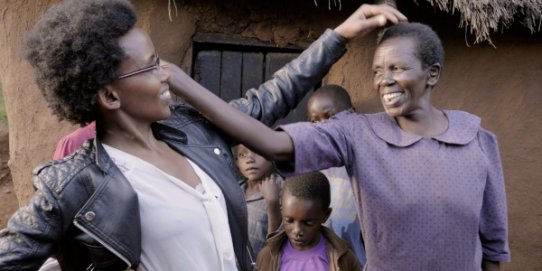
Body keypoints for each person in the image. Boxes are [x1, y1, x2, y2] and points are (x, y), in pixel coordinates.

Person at [0, 0, 398, 270]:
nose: (165, 73)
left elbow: (268, 99)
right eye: (151, 66)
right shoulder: (73, 185)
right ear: (109, 94)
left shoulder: (190, 131)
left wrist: (340, 37)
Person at [167, 16, 511, 271]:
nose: (384, 80)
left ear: (432, 73)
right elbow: (271, 142)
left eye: (397, 67)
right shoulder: (358, 134)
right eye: (377, 71)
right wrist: (181, 83)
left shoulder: (476, 139)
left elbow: (492, 250)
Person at [307, 84, 365, 266]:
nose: (323, 126)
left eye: (330, 117)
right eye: (315, 121)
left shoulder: (365, 164)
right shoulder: (309, 167)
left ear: (351, 114)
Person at [256, 171, 362, 271]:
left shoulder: (343, 258)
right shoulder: (267, 257)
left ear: (325, 215)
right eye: (289, 221)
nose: (297, 231)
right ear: (282, 211)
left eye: (308, 223)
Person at [235, 144, 282, 256]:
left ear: (271, 155)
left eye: (258, 152)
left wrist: (272, 202)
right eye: (242, 154)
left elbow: (278, 245)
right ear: (236, 161)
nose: (250, 159)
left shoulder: (284, 192)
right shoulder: (233, 191)